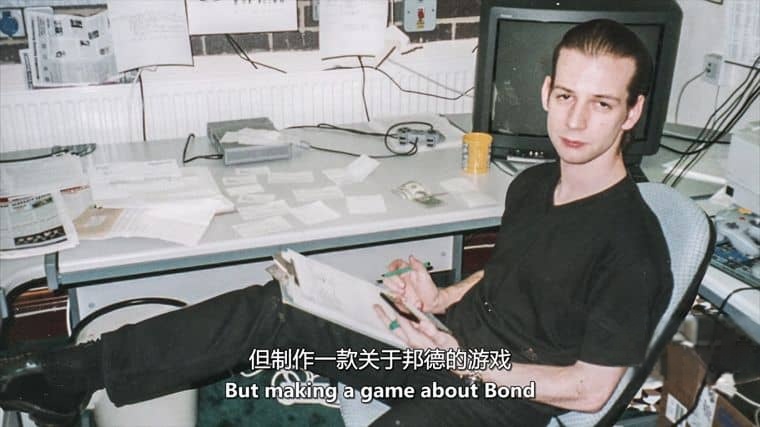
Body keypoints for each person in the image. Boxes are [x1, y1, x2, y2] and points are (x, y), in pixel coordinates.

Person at [1, 19, 672, 426]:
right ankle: (65, 374)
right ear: (546, 92)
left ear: (632, 112)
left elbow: (588, 389)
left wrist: (464, 361)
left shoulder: (631, 245)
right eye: (566, 96)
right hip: (442, 345)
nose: (575, 120)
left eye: (601, 103)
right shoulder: (533, 183)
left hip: (503, 393)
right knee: (276, 305)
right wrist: (441, 299)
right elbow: (508, 272)